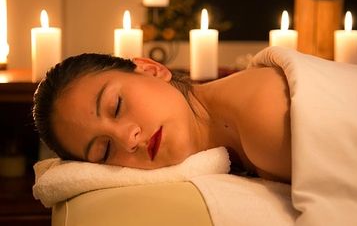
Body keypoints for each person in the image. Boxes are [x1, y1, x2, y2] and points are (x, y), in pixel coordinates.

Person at [33, 50, 291, 183]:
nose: (127, 138)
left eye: (117, 106)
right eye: (105, 150)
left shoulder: (263, 116)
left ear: (151, 69)